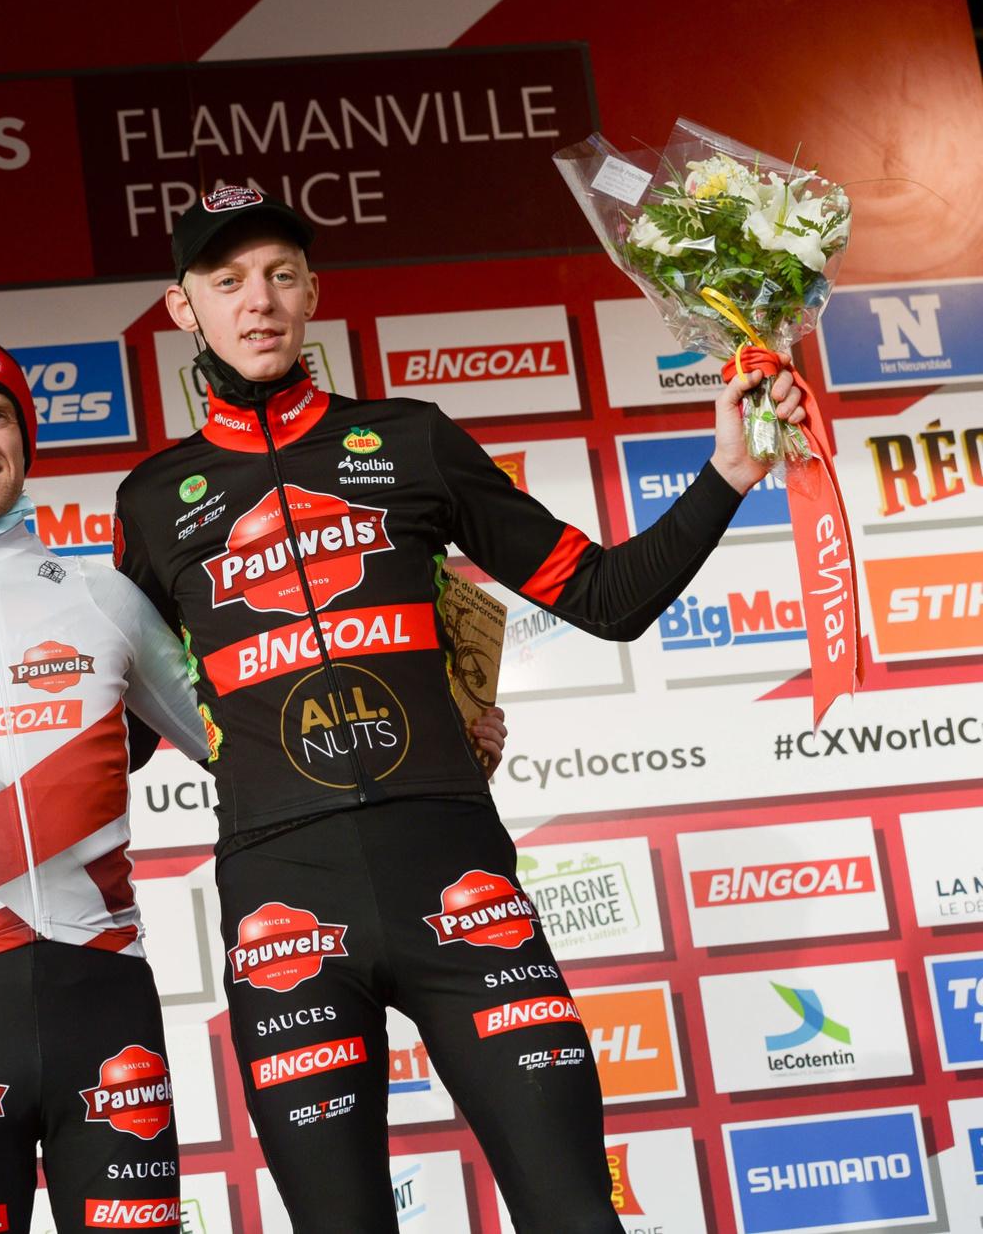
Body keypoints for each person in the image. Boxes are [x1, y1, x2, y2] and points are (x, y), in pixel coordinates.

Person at [112, 186, 805, 1233]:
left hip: (454, 876)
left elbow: (604, 599)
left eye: (279, 275)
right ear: (182, 309)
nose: (256, 302)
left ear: (312, 293)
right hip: (282, 905)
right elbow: (120, 730)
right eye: (226, 282)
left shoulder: (410, 438)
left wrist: (727, 471)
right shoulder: (150, 500)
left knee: (575, 1214)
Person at [0, 325, 511, 1230]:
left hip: (104, 1003)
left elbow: (248, 740)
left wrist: (429, 735)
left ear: (25, 441)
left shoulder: (105, 597)